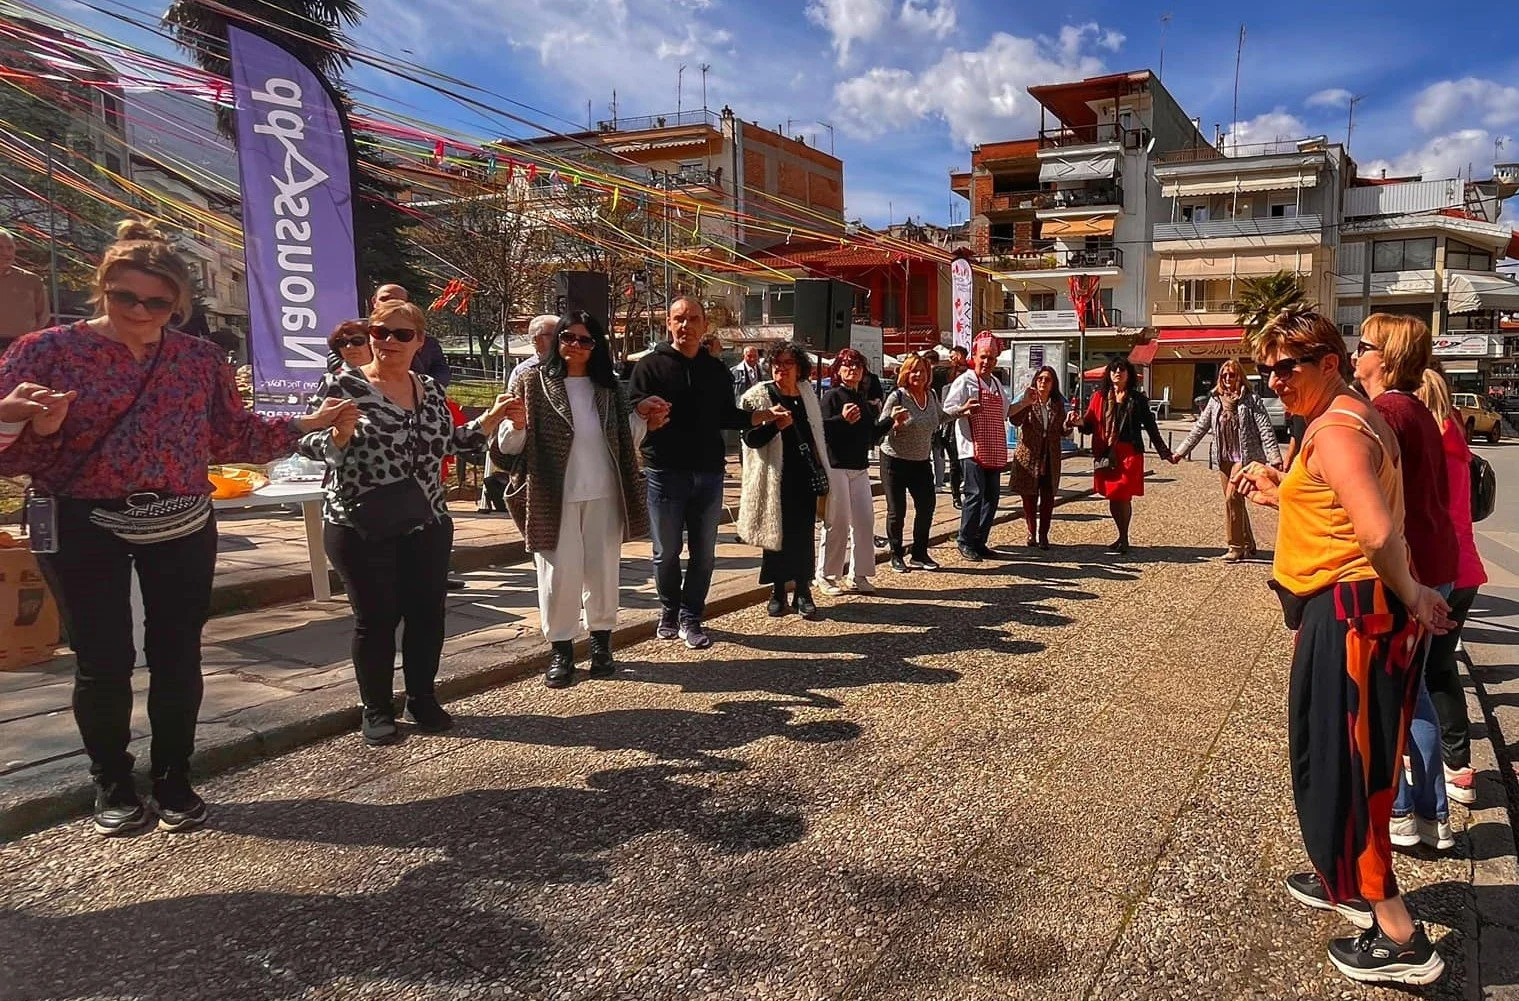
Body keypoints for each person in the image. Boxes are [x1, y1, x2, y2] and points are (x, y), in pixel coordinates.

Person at [0, 219, 354, 837]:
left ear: (180, 303)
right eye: (125, 297)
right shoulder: (45, 351)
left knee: (177, 653)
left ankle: (173, 776)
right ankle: (112, 781)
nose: (140, 311)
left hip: (181, 518)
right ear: (102, 288)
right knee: (103, 659)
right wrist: (35, 426)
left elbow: (231, 437)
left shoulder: (199, 359)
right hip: (81, 519)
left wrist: (306, 424)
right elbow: (12, 460)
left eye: (157, 302)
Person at [1232, 307, 1452, 987]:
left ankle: (1400, 936)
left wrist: (1413, 592)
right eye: (1266, 370)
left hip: (1355, 615)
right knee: (1335, 759)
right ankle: (1344, 878)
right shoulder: (1351, 415)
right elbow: (1338, 508)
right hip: (1354, 609)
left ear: (1329, 362)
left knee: (1348, 772)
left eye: (1286, 367)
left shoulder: (1332, 431)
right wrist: (1279, 492)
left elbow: (1377, 531)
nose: (1274, 381)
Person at [300, 299, 515, 747]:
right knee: (376, 619)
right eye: (380, 332)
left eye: (402, 334)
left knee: (426, 615)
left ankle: (421, 697)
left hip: (426, 520)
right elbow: (307, 444)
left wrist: (492, 419)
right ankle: (377, 708)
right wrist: (338, 435)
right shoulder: (341, 384)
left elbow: (452, 442)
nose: (389, 341)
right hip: (362, 524)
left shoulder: (429, 389)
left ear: (420, 341)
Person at [495, 311, 668, 688]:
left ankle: (602, 646)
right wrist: (517, 424)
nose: (575, 345)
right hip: (551, 495)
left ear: (596, 346)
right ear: (557, 339)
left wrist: (642, 417)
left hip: (604, 492)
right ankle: (561, 651)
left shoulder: (609, 387)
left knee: (603, 572)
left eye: (585, 340)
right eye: (568, 337)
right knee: (558, 575)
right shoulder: (532, 380)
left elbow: (624, 441)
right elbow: (508, 446)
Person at [1353, 314, 1460, 852]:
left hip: (1409, 569)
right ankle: (1429, 813)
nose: (1355, 353)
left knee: (1393, 694)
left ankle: (1401, 810)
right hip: (1435, 561)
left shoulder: (1389, 412)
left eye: (1364, 345)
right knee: (1412, 691)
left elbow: (1367, 497)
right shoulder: (1414, 409)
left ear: (1387, 357)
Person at [631, 296, 784, 648]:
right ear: (669, 324)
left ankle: (691, 616)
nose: (685, 325)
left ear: (704, 325)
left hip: (709, 473)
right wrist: (645, 415)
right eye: (679, 319)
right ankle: (669, 610)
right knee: (666, 551)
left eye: (693, 319)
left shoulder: (715, 369)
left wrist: (761, 416)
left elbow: (726, 416)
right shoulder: (649, 367)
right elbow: (632, 410)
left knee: (704, 553)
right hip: (665, 472)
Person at [1415, 366, 1485, 807]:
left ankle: (1427, 766)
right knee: (1441, 668)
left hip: (1438, 572)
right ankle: (1459, 766)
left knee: (1420, 672)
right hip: (1467, 571)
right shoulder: (1458, 441)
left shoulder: (1428, 444)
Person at [739, 341, 829, 619]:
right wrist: (774, 426)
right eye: (777, 363)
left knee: (803, 535)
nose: (781, 368)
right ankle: (777, 592)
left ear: (799, 367)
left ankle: (803, 591)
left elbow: (816, 433)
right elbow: (750, 439)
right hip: (773, 477)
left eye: (788, 363)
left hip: (803, 475)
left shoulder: (807, 394)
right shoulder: (758, 395)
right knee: (774, 535)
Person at [1171, 358, 1282, 561]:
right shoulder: (1215, 400)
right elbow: (1200, 428)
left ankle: (1235, 546)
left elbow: (1265, 428)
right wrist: (1180, 452)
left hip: (1245, 458)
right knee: (1235, 502)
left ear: (1240, 376)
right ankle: (1248, 542)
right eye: (1224, 375)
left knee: (1232, 498)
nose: (1228, 379)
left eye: (1232, 375)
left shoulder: (1251, 399)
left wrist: (1274, 457)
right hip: (1224, 459)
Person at [1069, 357, 1172, 554]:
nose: (1118, 372)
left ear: (1128, 374)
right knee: (1113, 496)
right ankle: (1120, 535)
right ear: (1109, 374)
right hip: (1107, 452)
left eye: (1122, 369)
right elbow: (1089, 425)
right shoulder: (1099, 397)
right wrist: (1078, 422)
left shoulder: (1137, 399)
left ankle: (1124, 538)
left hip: (1129, 452)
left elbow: (1151, 427)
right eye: (1114, 369)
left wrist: (1165, 452)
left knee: (1123, 495)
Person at [817, 348, 882, 595]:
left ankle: (859, 574)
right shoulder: (832, 397)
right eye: (847, 365)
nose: (853, 369)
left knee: (864, 522)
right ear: (838, 370)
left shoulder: (861, 399)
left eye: (857, 366)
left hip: (859, 468)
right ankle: (826, 575)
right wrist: (841, 420)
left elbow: (870, 435)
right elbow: (820, 429)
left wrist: (891, 422)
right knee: (837, 522)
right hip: (836, 467)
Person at [943, 334, 1013, 562]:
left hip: (993, 447)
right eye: (983, 357)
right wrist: (964, 409)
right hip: (971, 448)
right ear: (975, 356)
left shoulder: (996, 384)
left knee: (992, 498)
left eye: (991, 358)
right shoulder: (965, 381)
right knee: (974, 495)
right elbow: (947, 411)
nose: (986, 362)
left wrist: (1026, 402)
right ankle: (965, 540)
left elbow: (1006, 412)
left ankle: (979, 540)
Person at [479, 315, 559, 513]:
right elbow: (512, 410)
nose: (561, 339)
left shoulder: (573, 369)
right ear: (536, 340)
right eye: (554, 334)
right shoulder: (523, 372)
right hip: (533, 449)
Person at [878, 352, 945, 572]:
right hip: (894, 461)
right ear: (906, 373)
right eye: (914, 371)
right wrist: (894, 425)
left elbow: (940, 417)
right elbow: (880, 428)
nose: (918, 375)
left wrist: (962, 411)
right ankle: (896, 555)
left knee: (926, 507)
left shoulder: (931, 395)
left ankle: (919, 553)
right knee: (897, 511)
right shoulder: (897, 397)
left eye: (922, 371)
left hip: (921, 461)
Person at [1008, 365, 1067, 550]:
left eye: (1047, 379)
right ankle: (1031, 532)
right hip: (1030, 456)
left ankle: (1043, 535)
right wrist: (1025, 403)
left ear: (1053, 384)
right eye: (1040, 379)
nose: (1043, 382)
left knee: (1048, 498)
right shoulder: (1029, 401)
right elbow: (1014, 420)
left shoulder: (1057, 405)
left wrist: (1070, 424)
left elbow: (1062, 430)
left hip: (1050, 457)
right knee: (1029, 497)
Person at [372, 284, 453, 387]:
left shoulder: (428, 341)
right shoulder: (357, 335)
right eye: (385, 299)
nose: (390, 340)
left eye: (404, 335)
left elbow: (442, 372)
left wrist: (422, 388)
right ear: (374, 301)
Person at [0, 227, 49, 352]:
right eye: (0, 247)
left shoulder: (31, 280)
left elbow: (43, 316)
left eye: (10, 248)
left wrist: (29, 340)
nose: (6, 253)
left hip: (21, 347)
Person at [934, 345, 969, 508]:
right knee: (955, 463)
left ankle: (967, 490)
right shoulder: (946, 386)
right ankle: (956, 496)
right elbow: (945, 409)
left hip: (967, 426)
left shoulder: (971, 381)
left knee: (964, 463)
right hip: (950, 429)